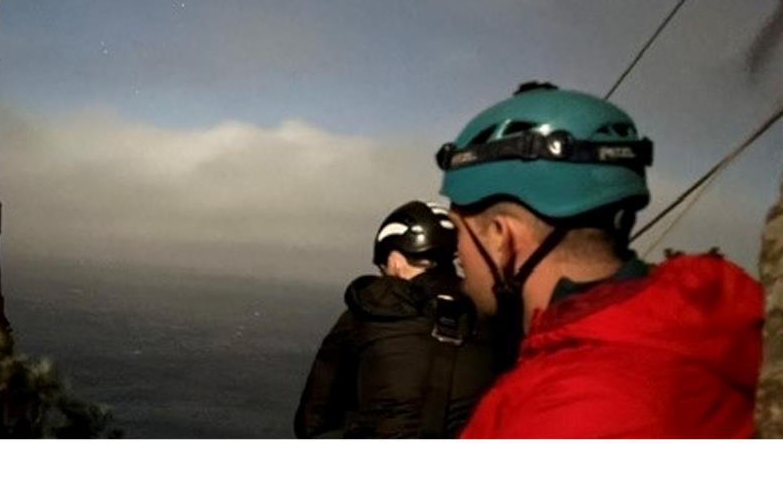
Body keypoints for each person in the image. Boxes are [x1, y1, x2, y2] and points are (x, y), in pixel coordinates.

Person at [435, 81, 764, 437]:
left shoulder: (565, 415)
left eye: (458, 231)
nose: (456, 251)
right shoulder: (703, 329)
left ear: (502, 237)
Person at [294, 201, 497, 438]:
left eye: (383, 268)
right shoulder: (494, 319)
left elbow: (311, 422)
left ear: (395, 260)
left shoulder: (366, 312)